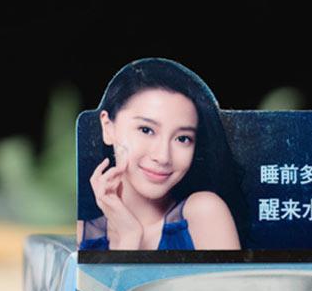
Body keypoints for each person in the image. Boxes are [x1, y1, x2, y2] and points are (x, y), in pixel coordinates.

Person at [78, 58, 244, 250]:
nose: (163, 157)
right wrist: (130, 235)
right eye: (146, 130)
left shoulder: (204, 213)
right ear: (108, 128)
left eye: (182, 138)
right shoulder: (80, 237)